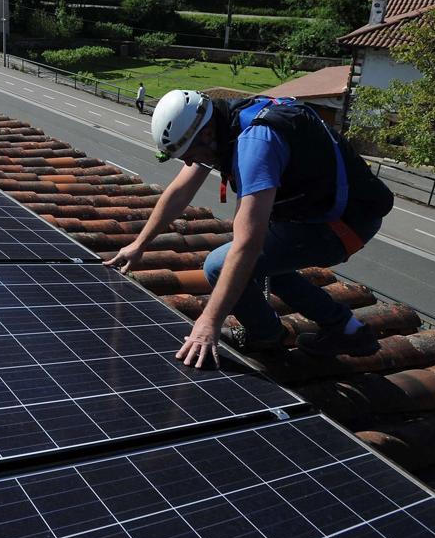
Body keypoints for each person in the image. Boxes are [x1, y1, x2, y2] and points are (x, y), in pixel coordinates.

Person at [104, 89, 394, 368]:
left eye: (190, 154)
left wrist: (208, 321)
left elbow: (248, 244)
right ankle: (347, 329)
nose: (190, 162)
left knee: (220, 265)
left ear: (205, 134)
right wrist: (139, 244)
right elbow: (179, 192)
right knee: (267, 262)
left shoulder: (256, 142)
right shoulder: (220, 121)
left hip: (341, 225)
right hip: (332, 212)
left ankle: (267, 336)